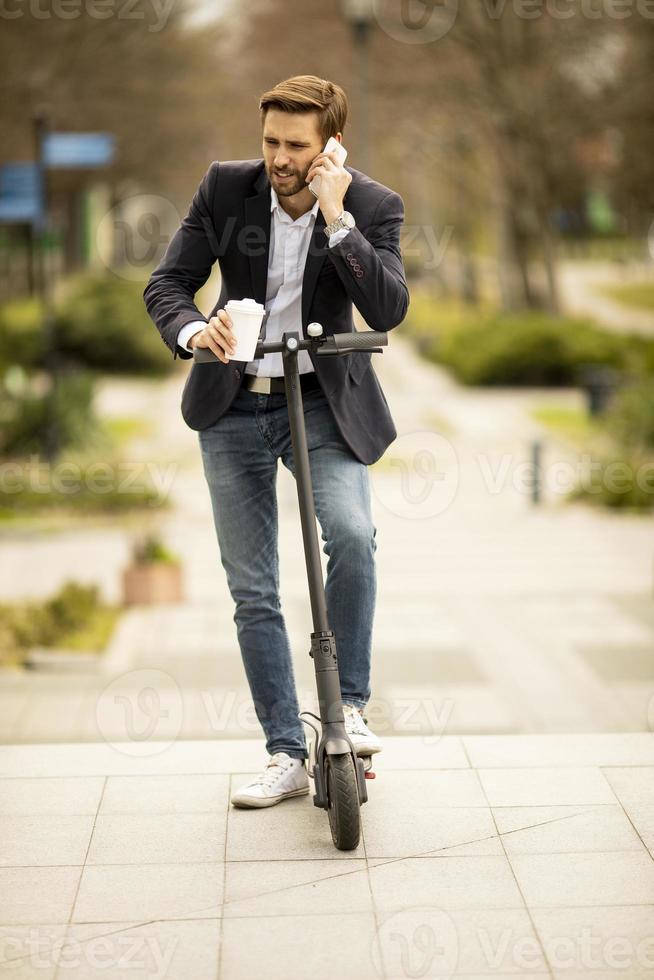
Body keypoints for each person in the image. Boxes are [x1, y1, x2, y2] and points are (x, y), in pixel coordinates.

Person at [144, 75, 409, 808]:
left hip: (323, 403)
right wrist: (198, 330)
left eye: (297, 145)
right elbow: (167, 284)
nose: (279, 158)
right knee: (252, 588)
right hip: (233, 405)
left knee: (353, 536)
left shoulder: (371, 204)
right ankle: (284, 753)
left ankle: (349, 708)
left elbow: (388, 305)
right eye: (271, 142)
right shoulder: (226, 189)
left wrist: (337, 218)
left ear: (330, 147)